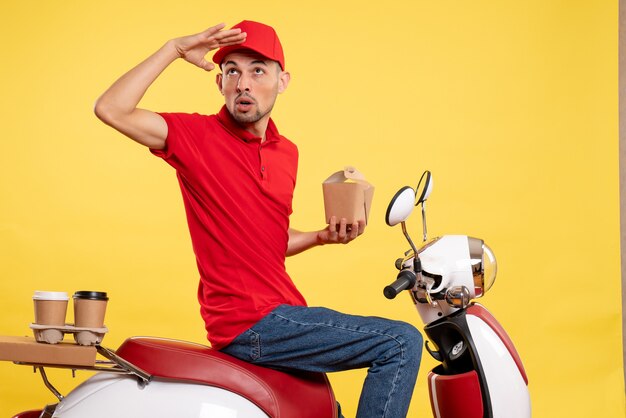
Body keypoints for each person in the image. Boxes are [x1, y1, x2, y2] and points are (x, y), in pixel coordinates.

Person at [95, 20, 422, 417]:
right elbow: (110, 108)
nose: (243, 83)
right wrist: (174, 49)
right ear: (220, 84)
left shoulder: (288, 153)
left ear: (282, 81)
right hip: (250, 323)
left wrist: (321, 236)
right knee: (400, 342)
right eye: (232, 70)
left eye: (257, 70)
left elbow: (272, 241)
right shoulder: (194, 136)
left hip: (286, 315)